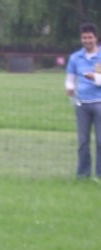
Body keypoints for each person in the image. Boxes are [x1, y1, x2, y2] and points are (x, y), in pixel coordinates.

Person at [66, 22, 101, 179]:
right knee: (83, 142)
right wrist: (70, 88)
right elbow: (70, 78)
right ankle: (83, 174)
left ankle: (99, 174)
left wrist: (95, 77)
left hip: (99, 102)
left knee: (100, 141)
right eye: (84, 37)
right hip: (82, 104)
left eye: (90, 37)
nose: (87, 40)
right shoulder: (75, 57)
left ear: (96, 38)